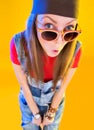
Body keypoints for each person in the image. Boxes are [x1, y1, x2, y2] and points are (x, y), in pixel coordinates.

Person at [10, 0, 82, 129]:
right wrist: (36, 114)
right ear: (34, 24)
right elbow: (24, 86)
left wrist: (52, 112)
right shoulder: (18, 44)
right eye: (49, 26)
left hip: (55, 101)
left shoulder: (75, 49)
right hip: (29, 101)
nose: (59, 42)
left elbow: (63, 87)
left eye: (69, 28)